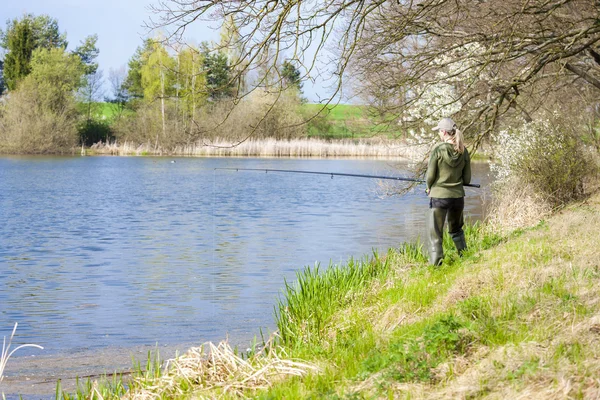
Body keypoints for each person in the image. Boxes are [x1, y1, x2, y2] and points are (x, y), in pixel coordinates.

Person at [426, 117, 471, 266]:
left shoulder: (438, 149)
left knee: (436, 234)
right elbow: (467, 179)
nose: (438, 133)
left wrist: (428, 187)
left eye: (439, 131)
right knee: (457, 230)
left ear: (444, 132)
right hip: (458, 197)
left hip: (439, 197)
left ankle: (436, 265)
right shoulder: (464, 151)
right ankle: (465, 257)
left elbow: (430, 176)